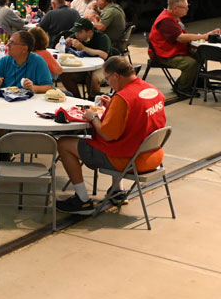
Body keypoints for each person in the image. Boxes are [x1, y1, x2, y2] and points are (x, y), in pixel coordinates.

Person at [55, 56, 166, 215]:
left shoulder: (122, 98)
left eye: (107, 79)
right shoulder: (152, 90)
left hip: (128, 161)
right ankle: (117, 191)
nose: (108, 83)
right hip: (153, 156)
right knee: (125, 139)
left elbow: (107, 136)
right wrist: (113, 106)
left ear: (116, 76)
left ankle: (82, 200)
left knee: (64, 144)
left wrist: (92, 117)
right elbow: (135, 120)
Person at [0, 30, 54, 154]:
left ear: (24, 48)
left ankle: (4, 153)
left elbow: (49, 87)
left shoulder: (37, 61)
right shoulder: (4, 61)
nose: (8, 45)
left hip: (27, 108)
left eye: (12, 43)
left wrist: (33, 87)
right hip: (4, 106)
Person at [148, 0, 220, 97]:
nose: (187, 9)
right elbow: (180, 38)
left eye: (187, 6)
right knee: (191, 63)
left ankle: (193, 81)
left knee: (201, 55)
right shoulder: (166, 21)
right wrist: (204, 36)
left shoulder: (174, 17)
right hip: (164, 55)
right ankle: (183, 89)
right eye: (184, 7)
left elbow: (183, 36)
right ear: (175, 8)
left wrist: (204, 36)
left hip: (172, 51)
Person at [60, 18, 112, 99]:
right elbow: (57, 47)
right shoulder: (76, 37)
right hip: (83, 67)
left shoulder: (102, 38)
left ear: (90, 32)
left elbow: (104, 55)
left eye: (80, 32)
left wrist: (83, 47)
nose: (77, 35)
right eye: (76, 32)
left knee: (92, 78)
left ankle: (92, 100)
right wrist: (64, 44)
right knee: (64, 74)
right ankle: (76, 99)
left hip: (103, 67)